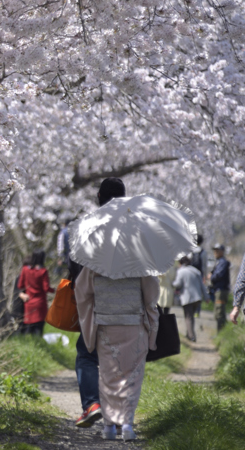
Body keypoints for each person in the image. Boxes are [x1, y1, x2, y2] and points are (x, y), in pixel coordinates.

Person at [74, 177, 159, 442]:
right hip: (133, 318)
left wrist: (89, 313)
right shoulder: (139, 236)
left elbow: (82, 287)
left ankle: (109, 426)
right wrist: (152, 318)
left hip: (105, 318)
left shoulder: (91, 233)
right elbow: (151, 287)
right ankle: (128, 427)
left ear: (99, 196)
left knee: (109, 374)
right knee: (131, 374)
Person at [70, 177, 126, 429]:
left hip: (94, 299)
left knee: (87, 353)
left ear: (99, 197)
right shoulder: (134, 227)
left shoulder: (86, 225)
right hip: (127, 301)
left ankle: (92, 404)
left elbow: (75, 264)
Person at [18, 250, 54, 336]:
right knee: (38, 329)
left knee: (28, 328)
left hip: (29, 303)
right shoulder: (43, 271)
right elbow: (46, 288)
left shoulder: (25, 269)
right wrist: (54, 290)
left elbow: (20, 285)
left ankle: (27, 345)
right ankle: (38, 345)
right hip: (40, 303)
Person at [172, 254, 205, 342]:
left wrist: (171, 284)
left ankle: (191, 336)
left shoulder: (181, 271)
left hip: (187, 298)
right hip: (197, 298)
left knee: (188, 317)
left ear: (181, 263)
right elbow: (202, 285)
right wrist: (206, 296)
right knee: (191, 316)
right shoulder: (196, 271)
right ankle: (189, 333)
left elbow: (178, 284)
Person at [209, 243, 231, 331]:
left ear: (222, 251)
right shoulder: (219, 262)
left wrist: (211, 276)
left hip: (221, 291)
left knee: (219, 312)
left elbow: (218, 275)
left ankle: (221, 332)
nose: (215, 252)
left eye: (217, 250)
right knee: (218, 312)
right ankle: (220, 332)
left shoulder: (223, 262)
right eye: (214, 250)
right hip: (218, 290)